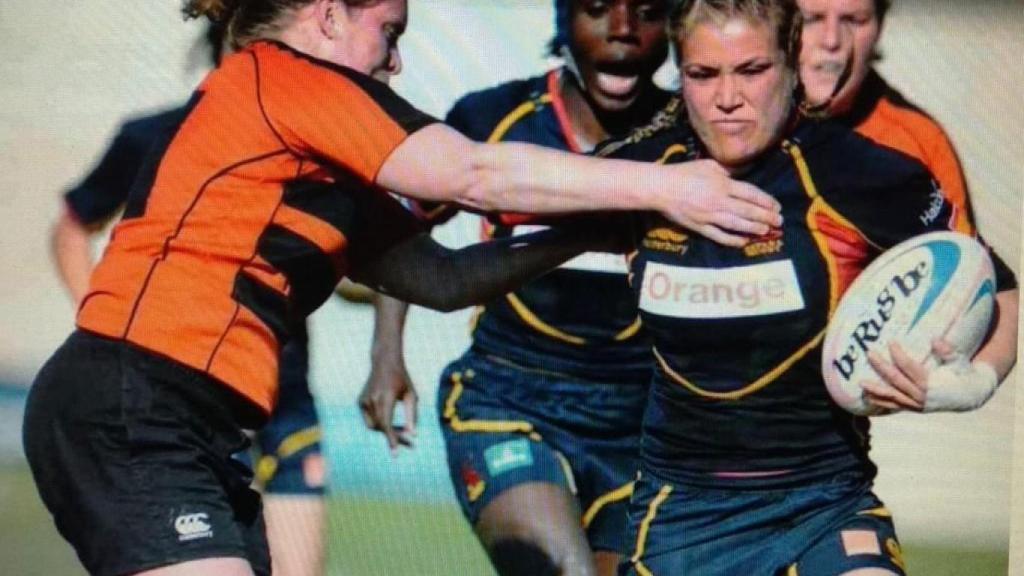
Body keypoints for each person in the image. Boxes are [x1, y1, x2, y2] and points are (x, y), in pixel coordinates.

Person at [22, 1, 784, 575]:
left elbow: (442, 279)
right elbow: (473, 172)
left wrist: (583, 233)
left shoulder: (314, 161)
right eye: (390, 33)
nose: (395, 65)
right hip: (132, 405)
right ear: (325, 17)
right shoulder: (281, 78)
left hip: (187, 426)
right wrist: (665, 188)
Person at [598, 1, 1018, 574]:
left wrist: (977, 381)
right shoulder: (641, 174)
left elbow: (999, 286)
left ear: (791, 63)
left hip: (824, 504)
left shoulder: (860, 173)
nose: (727, 98)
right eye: (702, 74)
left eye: (751, 70)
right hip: (680, 517)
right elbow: (498, 199)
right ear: (679, 74)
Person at [360, 2, 673, 575]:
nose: (624, 31)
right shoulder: (494, 121)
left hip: (644, 419)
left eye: (650, 11)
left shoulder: (689, 140)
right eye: (598, 9)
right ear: (563, 18)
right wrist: (386, 354)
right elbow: (400, 232)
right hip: (508, 397)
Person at [49, 26, 329, 576]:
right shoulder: (152, 136)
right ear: (233, 45)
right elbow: (70, 228)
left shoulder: (315, 156)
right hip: (170, 401)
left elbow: (363, 268)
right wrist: (102, 324)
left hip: (280, 398)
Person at [798, 0, 973, 233]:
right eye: (811, 19)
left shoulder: (920, 140)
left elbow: (961, 259)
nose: (831, 40)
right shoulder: (740, 125)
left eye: (854, 20)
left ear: (878, 29)